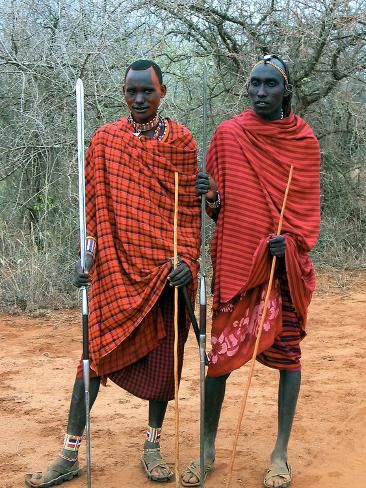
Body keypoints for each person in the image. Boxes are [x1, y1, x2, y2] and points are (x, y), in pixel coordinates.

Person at [25, 59, 201, 487]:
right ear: (123, 93)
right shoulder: (105, 141)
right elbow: (93, 213)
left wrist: (187, 263)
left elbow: (190, 214)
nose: (140, 99)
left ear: (163, 91)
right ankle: (69, 453)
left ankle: (152, 445)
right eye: (132, 92)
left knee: (164, 361)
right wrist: (86, 257)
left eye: (148, 91)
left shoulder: (181, 142)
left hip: (163, 272)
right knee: (93, 359)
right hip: (114, 270)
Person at [181, 54, 320, 488]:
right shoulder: (228, 134)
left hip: (282, 266)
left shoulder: (304, 141)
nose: (260, 93)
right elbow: (217, 209)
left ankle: (280, 452)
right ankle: (206, 448)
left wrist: (292, 243)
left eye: (269, 86)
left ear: (285, 91)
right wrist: (213, 196)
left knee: (288, 357)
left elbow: (306, 212)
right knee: (217, 358)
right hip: (237, 262)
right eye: (255, 85)